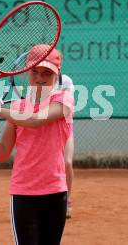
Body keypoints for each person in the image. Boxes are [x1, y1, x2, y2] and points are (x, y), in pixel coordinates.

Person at [0, 45, 74, 245]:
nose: (39, 78)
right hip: (23, 194)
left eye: (47, 72)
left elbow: (36, 120)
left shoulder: (64, 100)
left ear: (57, 74)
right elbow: (2, 153)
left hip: (56, 192)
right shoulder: (17, 108)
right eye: (34, 71)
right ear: (26, 72)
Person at [56, 73, 75, 219]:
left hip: (65, 128)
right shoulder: (35, 83)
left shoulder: (66, 81)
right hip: (44, 130)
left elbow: (66, 108)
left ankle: (67, 200)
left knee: (67, 163)